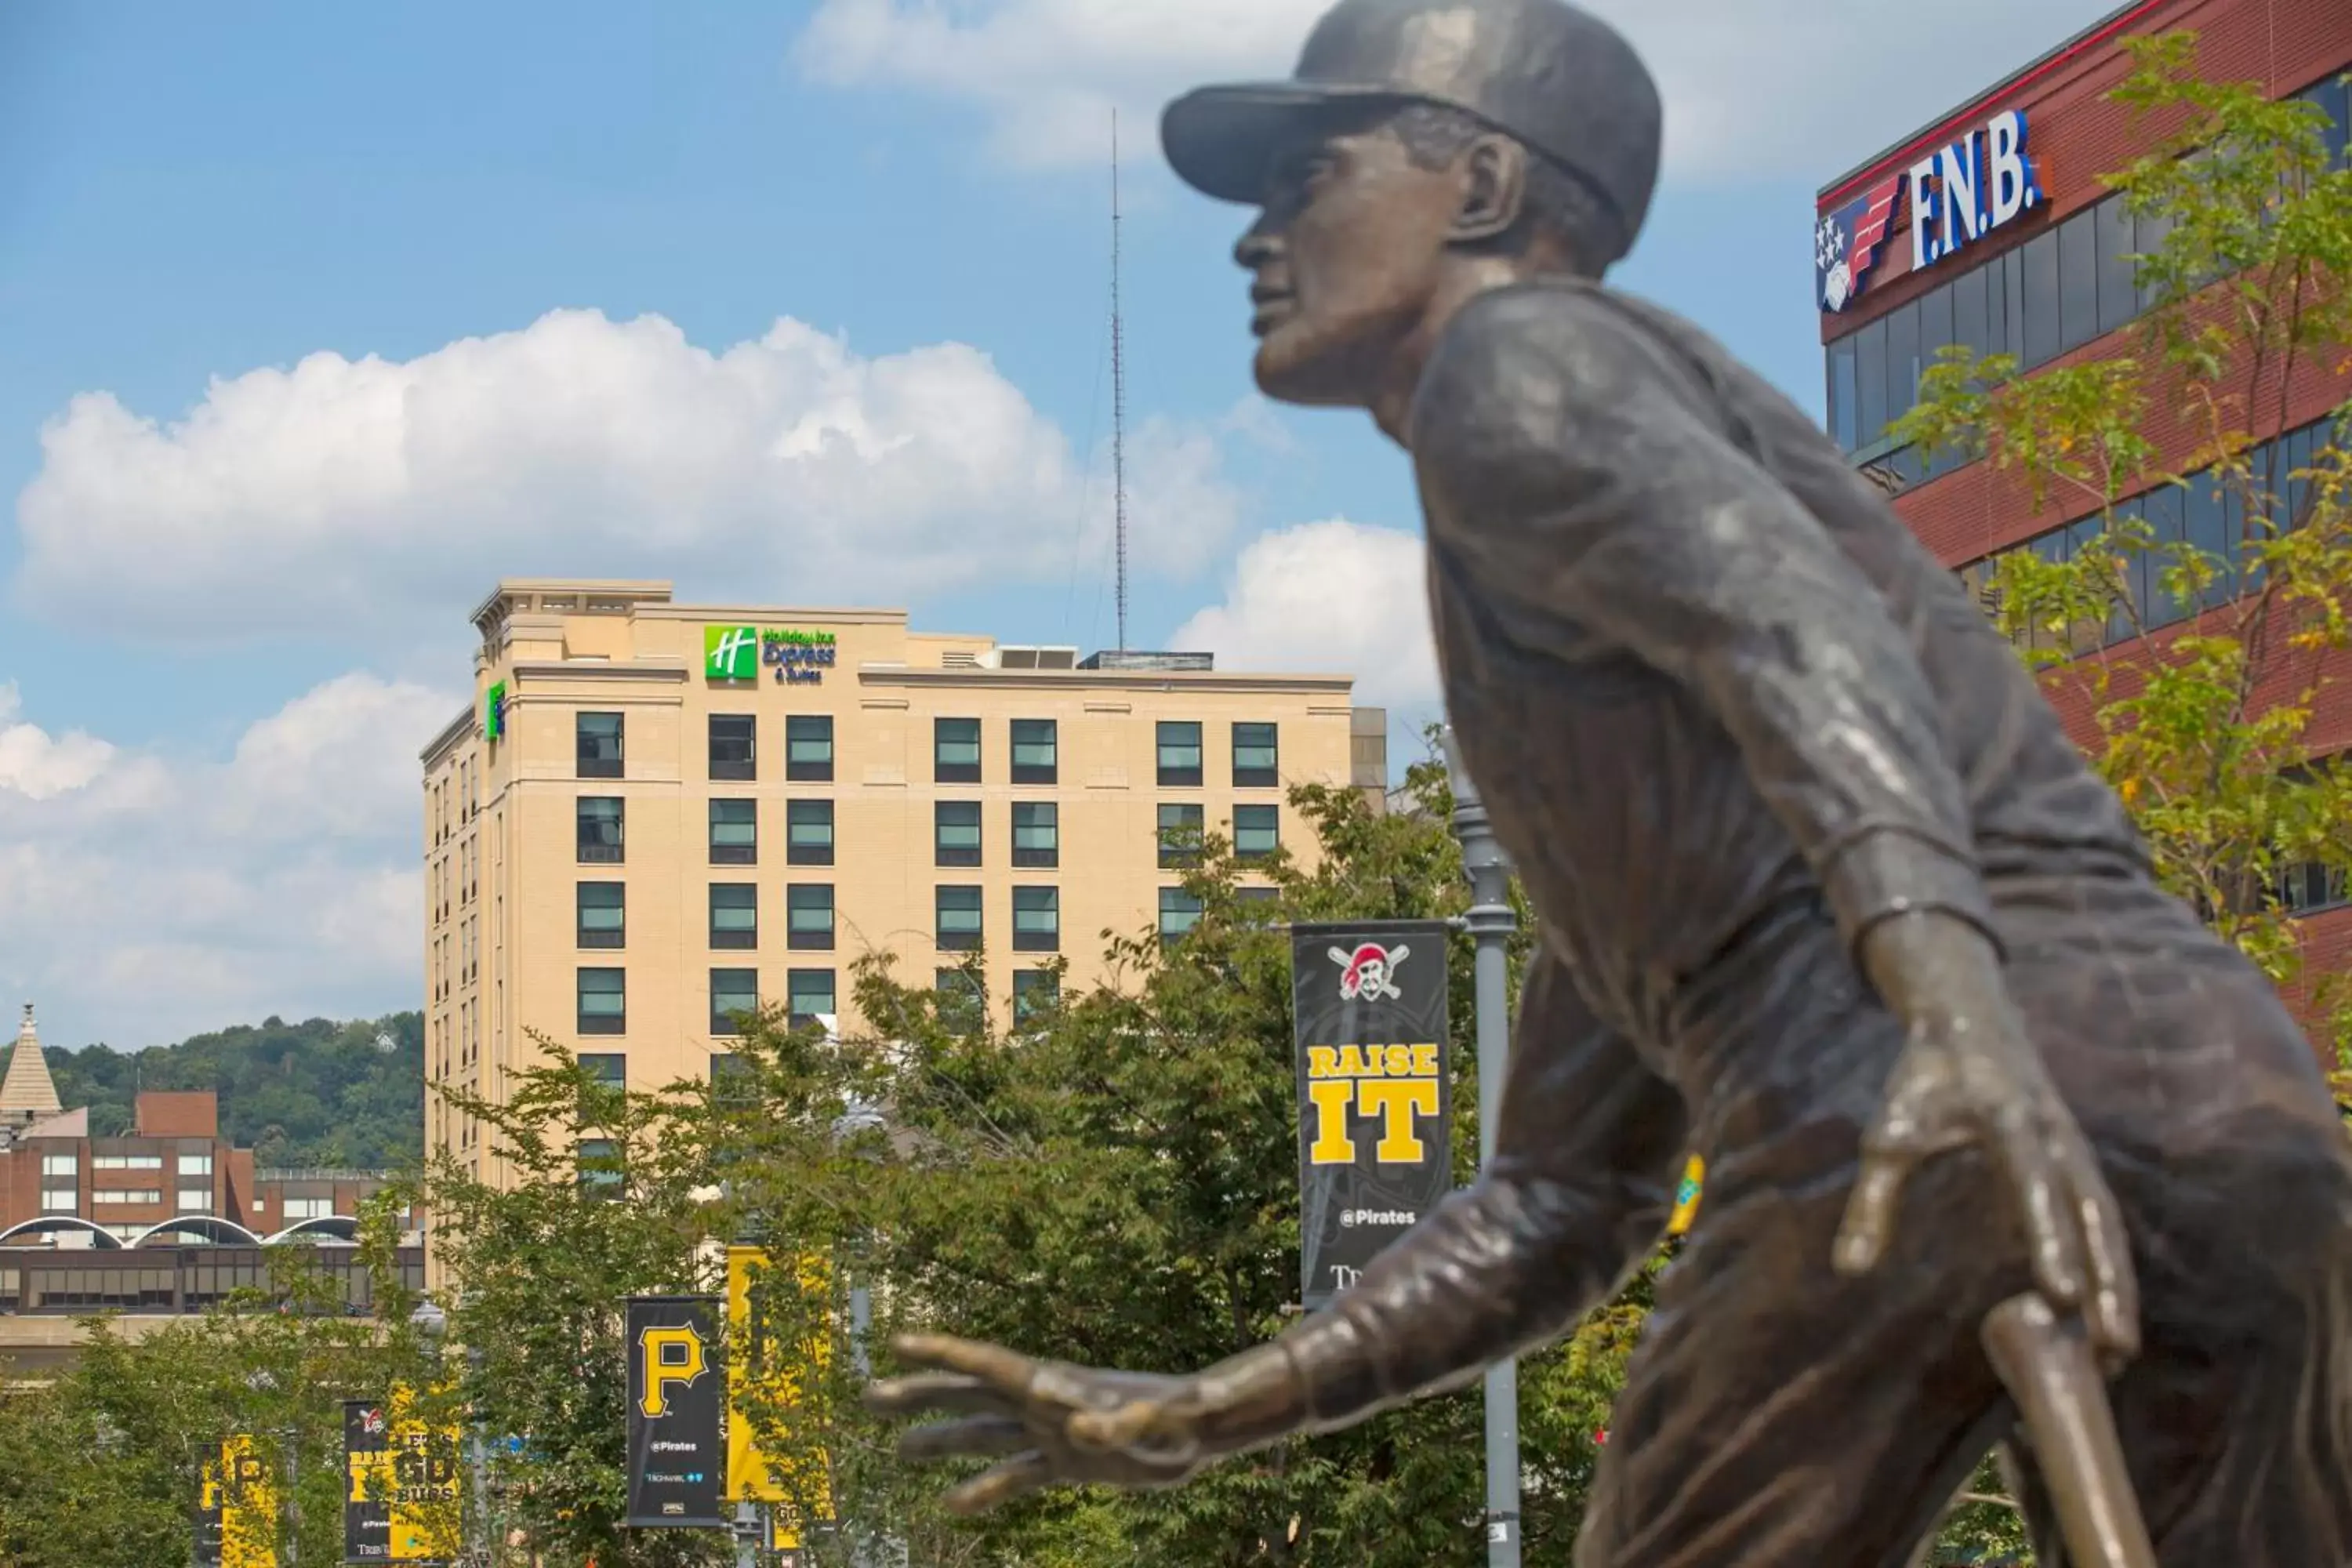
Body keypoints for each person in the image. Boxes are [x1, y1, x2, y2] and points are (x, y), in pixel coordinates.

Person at [866, 2, 2352, 1563]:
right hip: (2226, 1087)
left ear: (1486, 189)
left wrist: (1958, 1016)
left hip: (1904, 1074)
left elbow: (1797, 631)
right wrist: (1204, 1409)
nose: (1258, 234)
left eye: (1311, 172)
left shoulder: (1510, 368)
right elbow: (1557, 1206)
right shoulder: (1651, 784)